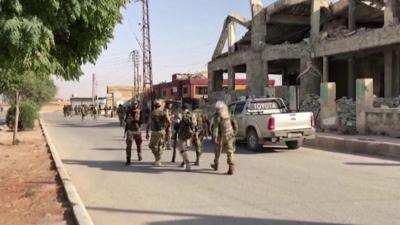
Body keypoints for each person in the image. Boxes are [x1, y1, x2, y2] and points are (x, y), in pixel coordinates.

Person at [211, 101, 238, 175]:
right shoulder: (228, 114)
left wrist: (215, 136)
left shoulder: (217, 116)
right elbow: (235, 123)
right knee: (230, 151)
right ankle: (231, 167)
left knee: (217, 151)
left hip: (221, 137)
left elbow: (215, 128)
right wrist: (235, 132)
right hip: (230, 135)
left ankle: (216, 164)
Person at [146, 99, 169, 166]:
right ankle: (158, 160)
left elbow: (148, 123)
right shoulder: (164, 112)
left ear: (154, 106)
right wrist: (166, 129)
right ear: (160, 106)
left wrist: (147, 133)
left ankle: (157, 159)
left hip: (155, 132)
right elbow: (169, 122)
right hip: (162, 131)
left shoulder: (153, 113)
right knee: (160, 145)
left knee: (152, 145)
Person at [176, 103, 196, 171]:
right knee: (185, 149)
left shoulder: (182, 115)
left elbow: (178, 124)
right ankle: (184, 162)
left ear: (182, 108)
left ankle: (187, 164)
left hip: (183, 134)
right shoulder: (192, 114)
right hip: (190, 134)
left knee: (182, 150)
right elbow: (195, 124)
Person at [124, 101, 143, 165]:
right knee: (128, 146)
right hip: (130, 131)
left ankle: (139, 154)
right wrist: (128, 120)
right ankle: (128, 159)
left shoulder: (140, 111)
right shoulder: (129, 112)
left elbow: (142, 121)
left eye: (135, 104)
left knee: (139, 145)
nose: (134, 105)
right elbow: (125, 120)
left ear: (137, 104)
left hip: (137, 131)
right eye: (133, 104)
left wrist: (134, 120)